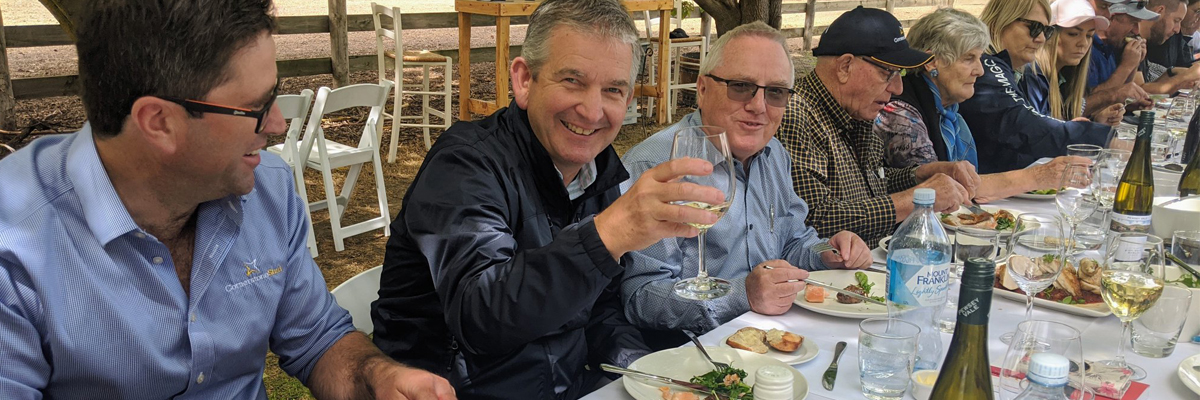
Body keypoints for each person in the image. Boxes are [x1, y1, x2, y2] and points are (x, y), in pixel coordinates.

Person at [0, 1, 455, 399]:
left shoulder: (268, 190)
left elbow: (317, 340)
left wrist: (377, 377)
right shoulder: (16, 247)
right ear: (158, 122)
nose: (277, 124)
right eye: (257, 106)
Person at [370, 0, 727, 397]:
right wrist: (607, 235)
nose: (592, 111)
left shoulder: (598, 173)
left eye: (612, 89)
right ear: (524, 80)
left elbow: (602, 311)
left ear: (628, 101)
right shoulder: (464, 166)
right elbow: (480, 318)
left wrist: (645, 374)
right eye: (573, 81)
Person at [619, 22, 873, 342]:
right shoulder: (655, 167)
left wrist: (827, 251)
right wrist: (742, 295)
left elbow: (792, 242)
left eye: (776, 92)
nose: (758, 106)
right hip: (693, 352)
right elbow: (640, 297)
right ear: (702, 89)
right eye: (741, 86)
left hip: (775, 336)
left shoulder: (774, 153)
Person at [778, 6, 978, 246]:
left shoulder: (855, 110)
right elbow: (813, 220)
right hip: (826, 267)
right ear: (845, 67)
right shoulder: (795, 114)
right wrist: (916, 199)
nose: (898, 88)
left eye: (899, 73)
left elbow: (871, 184)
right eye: (888, 73)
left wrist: (921, 174)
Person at [873, 8, 1092, 202]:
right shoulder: (900, 113)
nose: (979, 71)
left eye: (979, 58)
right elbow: (939, 190)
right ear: (932, 62)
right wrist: (1038, 177)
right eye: (969, 59)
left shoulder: (950, 110)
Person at [957, 0, 1111, 173]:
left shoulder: (1014, 71)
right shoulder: (986, 68)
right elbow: (1023, 126)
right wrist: (1104, 136)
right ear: (1001, 21)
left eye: (1046, 31)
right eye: (1034, 28)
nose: (1041, 39)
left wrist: (1074, 130)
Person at [1022, 0, 1126, 124]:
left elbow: (1062, 124)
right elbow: (1040, 131)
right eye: (1073, 34)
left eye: (1089, 35)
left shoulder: (1065, 78)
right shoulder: (1032, 75)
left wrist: (1096, 122)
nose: (1083, 43)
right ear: (1049, 35)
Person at [1146, 0, 1200, 78]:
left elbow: (1186, 66)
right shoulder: (1157, 35)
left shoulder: (1175, 37)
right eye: (1197, 11)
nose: (1177, 29)